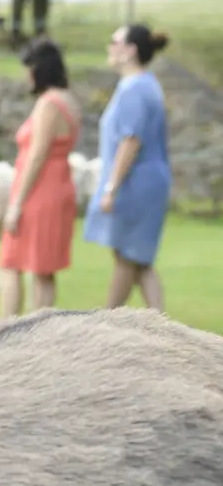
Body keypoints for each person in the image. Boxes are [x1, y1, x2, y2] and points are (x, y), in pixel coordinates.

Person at [83, 24, 172, 312]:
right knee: (139, 261)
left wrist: (111, 187)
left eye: (114, 41)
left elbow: (130, 141)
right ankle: (163, 328)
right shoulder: (140, 85)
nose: (109, 47)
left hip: (137, 184)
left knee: (127, 257)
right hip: (142, 182)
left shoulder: (136, 88)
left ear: (130, 50)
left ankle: (105, 321)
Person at [0, 39, 83, 316]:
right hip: (59, 187)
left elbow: (37, 153)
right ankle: (41, 328)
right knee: (43, 268)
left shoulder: (48, 104)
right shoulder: (70, 101)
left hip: (39, 191)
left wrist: (17, 203)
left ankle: (5, 331)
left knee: (11, 263)